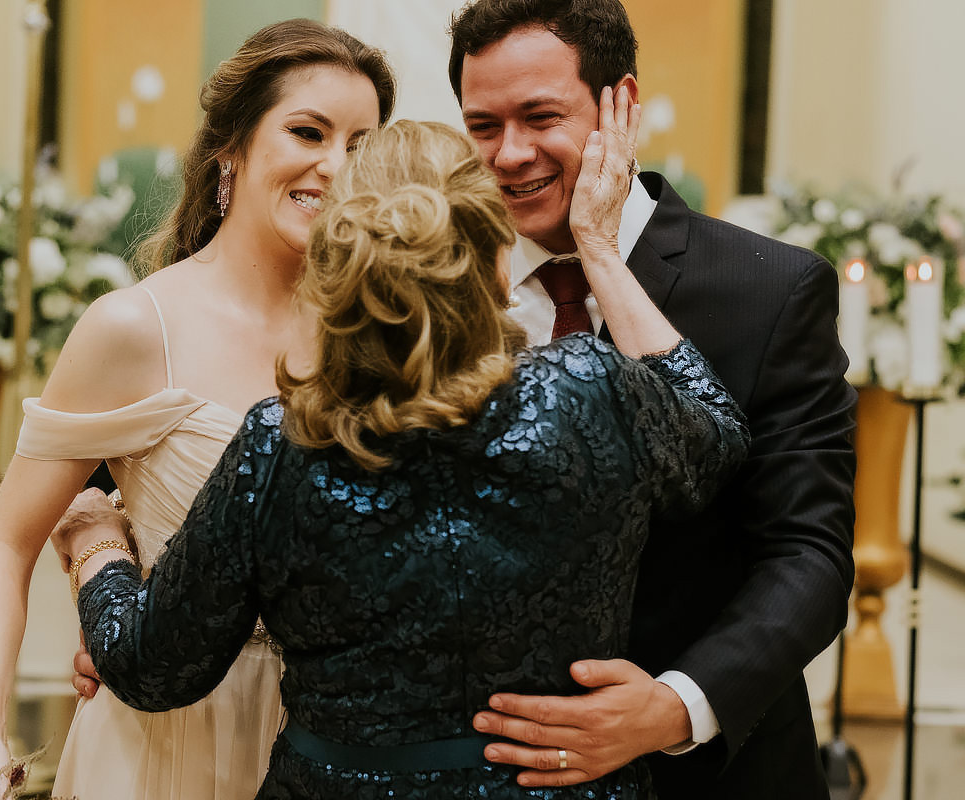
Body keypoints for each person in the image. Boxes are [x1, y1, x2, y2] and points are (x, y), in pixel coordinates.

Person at [52, 106, 749, 798]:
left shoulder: (282, 443)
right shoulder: (592, 389)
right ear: (497, 264)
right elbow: (719, 435)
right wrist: (598, 248)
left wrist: (95, 539)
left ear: (334, 271)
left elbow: (153, 668)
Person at [0, 19, 395, 800]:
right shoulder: (134, 327)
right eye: (308, 132)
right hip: (165, 741)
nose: (335, 166)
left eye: (362, 145)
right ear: (232, 147)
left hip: (332, 738)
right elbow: (5, 546)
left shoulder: (380, 333)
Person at [447, 2, 857, 798]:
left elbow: (808, 554)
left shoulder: (772, 290)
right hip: (493, 766)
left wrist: (674, 707)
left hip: (713, 775)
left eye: (540, 117)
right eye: (483, 126)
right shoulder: (439, 291)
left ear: (620, 105)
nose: (510, 154)